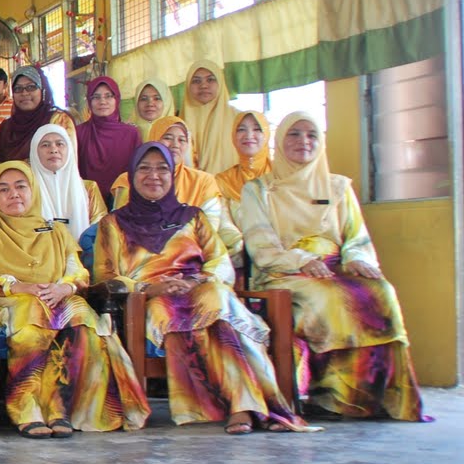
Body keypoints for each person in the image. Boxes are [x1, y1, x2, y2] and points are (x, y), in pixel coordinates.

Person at [93, 142, 306, 434]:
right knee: (194, 318)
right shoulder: (113, 223)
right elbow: (105, 276)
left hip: (200, 288)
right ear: (131, 175)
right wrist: (148, 288)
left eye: (162, 168)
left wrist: (193, 281)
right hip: (151, 300)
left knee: (217, 303)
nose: (153, 176)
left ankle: (243, 407)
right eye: (144, 168)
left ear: (172, 175)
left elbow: (219, 260)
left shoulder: (193, 217)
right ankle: (245, 406)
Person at [234, 113, 424, 421]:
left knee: (381, 293)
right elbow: (261, 245)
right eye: (294, 134)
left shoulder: (338, 187)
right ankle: (333, 396)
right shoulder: (259, 189)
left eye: (312, 134)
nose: (303, 141)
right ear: (279, 141)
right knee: (330, 299)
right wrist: (303, 261)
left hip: (336, 268)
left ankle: (377, 397)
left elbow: (356, 236)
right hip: (283, 272)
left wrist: (358, 259)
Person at [0, 161, 150, 437]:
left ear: (33, 191)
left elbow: (77, 270)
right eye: (3, 189)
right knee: (32, 323)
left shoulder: (55, 230)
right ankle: (27, 409)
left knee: (86, 325)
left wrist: (64, 288)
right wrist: (20, 286)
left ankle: (64, 409)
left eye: (21, 186)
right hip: (10, 300)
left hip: (58, 296)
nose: (13, 194)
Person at [111, 117, 243, 261]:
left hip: (192, 255)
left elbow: (210, 227)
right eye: (167, 138)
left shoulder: (203, 181)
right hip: (140, 256)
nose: (175, 145)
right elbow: (123, 227)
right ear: (153, 140)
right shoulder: (130, 180)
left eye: (182, 140)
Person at [28, 124, 107, 242]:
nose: (53, 150)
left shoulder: (89, 188)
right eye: (45, 145)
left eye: (60, 144)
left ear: (69, 150)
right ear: (34, 152)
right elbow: (26, 230)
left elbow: (100, 230)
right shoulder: (26, 191)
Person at [0, 65, 74, 165]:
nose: (24, 93)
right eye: (18, 88)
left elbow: (69, 164)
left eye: (31, 87)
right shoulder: (6, 128)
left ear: (43, 90)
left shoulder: (58, 121)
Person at [74, 76, 143, 192]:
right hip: (87, 197)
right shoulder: (78, 133)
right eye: (96, 97)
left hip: (122, 197)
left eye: (108, 96)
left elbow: (138, 171)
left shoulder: (131, 134)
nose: (102, 102)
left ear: (117, 99)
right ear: (89, 102)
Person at [181, 61, 243, 173]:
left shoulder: (239, 119)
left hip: (234, 183)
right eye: (196, 81)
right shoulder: (177, 123)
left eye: (210, 79)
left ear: (221, 83)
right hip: (190, 184)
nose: (203, 85)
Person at [213, 110, 272, 202]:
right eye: (241, 129)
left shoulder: (281, 176)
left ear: (266, 135)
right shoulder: (223, 181)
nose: (249, 135)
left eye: (257, 129)